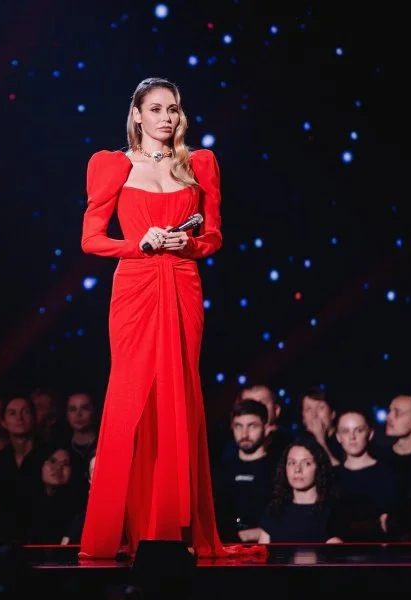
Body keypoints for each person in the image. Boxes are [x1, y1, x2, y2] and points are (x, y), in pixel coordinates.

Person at [78, 77, 261, 559]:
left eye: (173, 109)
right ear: (137, 115)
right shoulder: (113, 165)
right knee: (131, 400)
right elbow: (90, 239)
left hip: (182, 284)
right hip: (135, 287)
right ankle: (114, 530)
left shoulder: (199, 164)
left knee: (179, 396)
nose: (166, 117)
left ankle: (168, 529)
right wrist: (137, 244)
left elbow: (214, 236)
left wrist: (190, 244)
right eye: (156, 108)